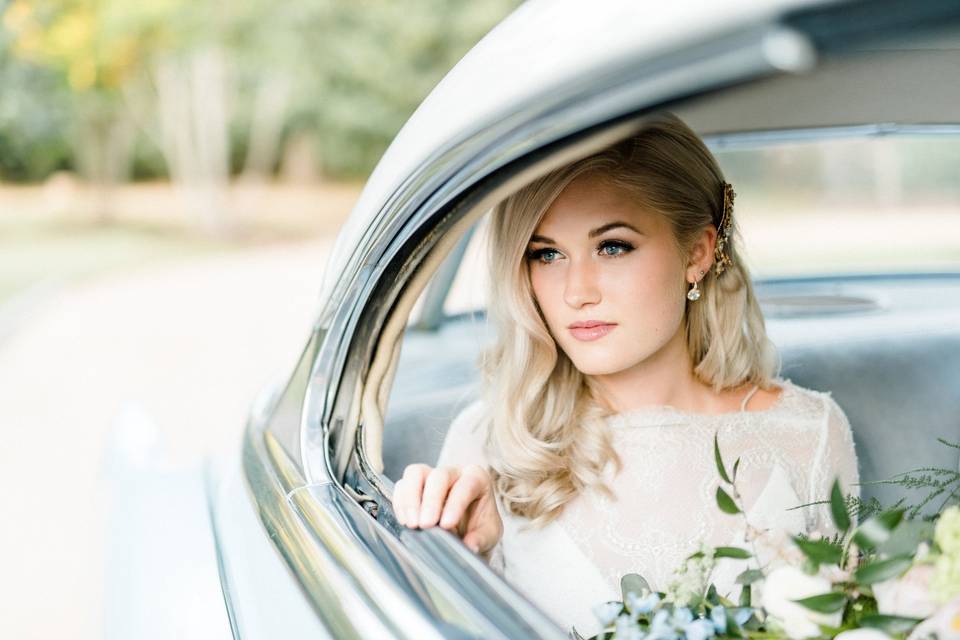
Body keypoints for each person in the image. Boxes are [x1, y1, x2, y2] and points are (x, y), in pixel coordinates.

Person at [390, 112, 859, 636]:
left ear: (698, 253)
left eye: (612, 246)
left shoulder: (809, 433)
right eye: (547, 255)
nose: (576, 291)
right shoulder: (491, 444)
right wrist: (465, 561)